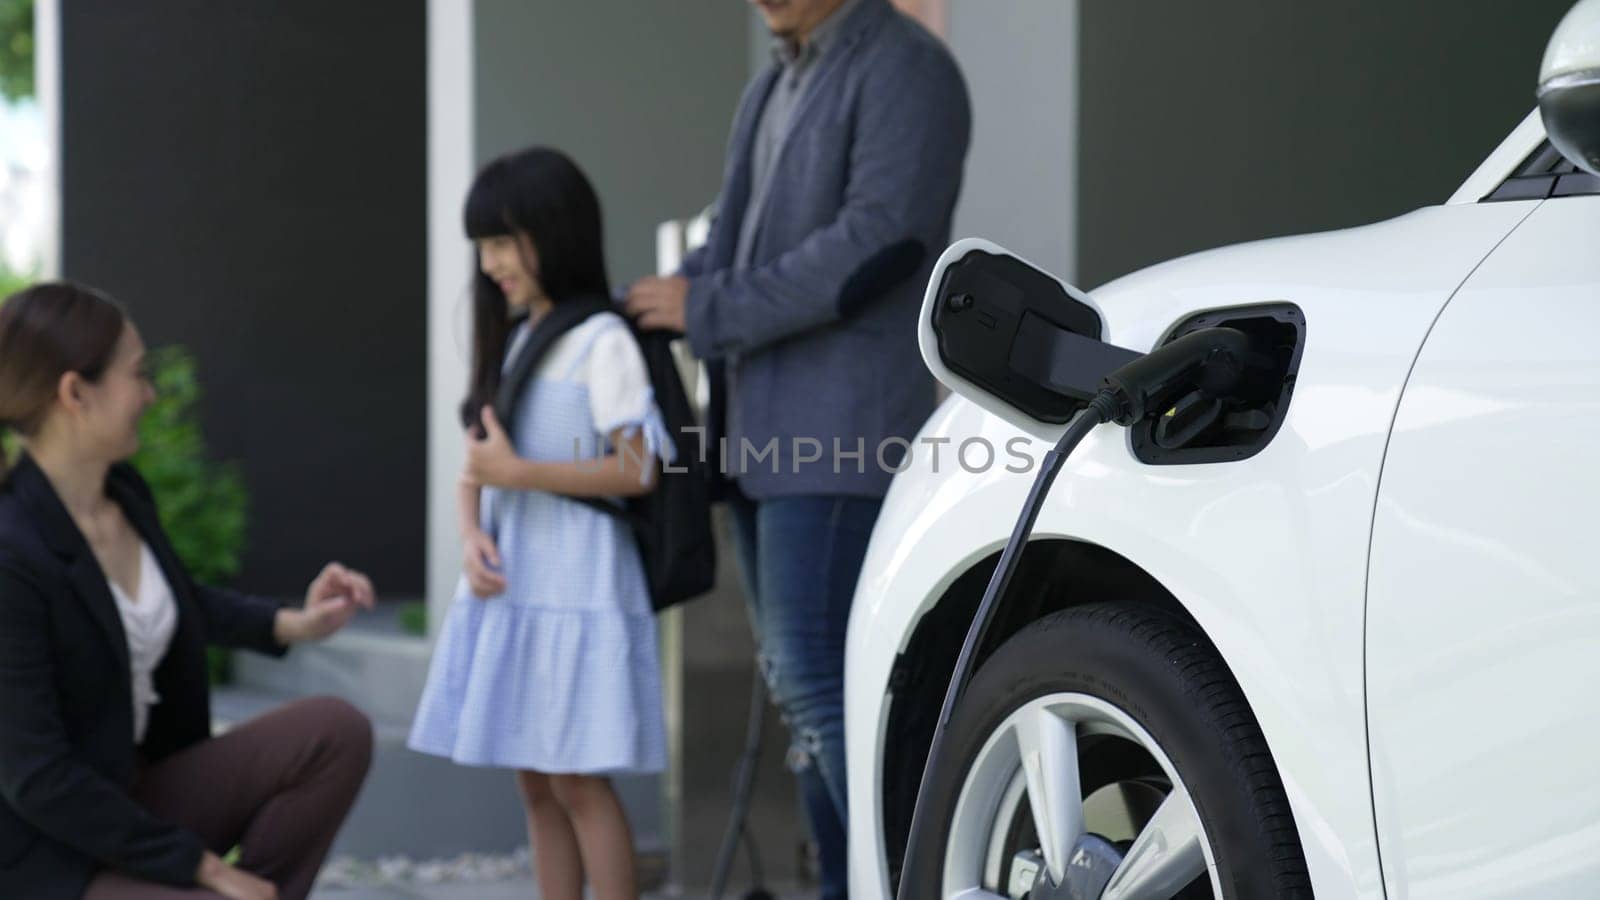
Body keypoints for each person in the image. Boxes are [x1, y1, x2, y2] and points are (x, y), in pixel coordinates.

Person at [626, 0, 970, 893]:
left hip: (840, 434)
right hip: (754, 439)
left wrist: (707, 308)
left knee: (826, 687)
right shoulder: (772, 81)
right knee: (805, 693)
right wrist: (657, 299)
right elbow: (726, 242)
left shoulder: (907, 68)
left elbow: (878, 244)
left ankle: (905, 882)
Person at [0, 282, 377, 900]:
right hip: (52, 854)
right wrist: (206, 867)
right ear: (74, 394)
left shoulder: (123, 493)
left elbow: (177, 601)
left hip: (142, 791)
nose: (150, 394)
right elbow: (37, 779)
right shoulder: (13, 555)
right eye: (138, 375)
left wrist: (296, 623)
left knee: (335, 731)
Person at [407, 146, 670, 900]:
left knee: (576, 779)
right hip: (521, 580)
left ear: (553, 233)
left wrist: (520, 477)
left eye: (501, 242)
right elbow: (477, 461)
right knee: (535, 781)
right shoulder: (523, 335)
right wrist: (472, 531)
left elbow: (639, 467)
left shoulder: (602, 341)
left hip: (579, 581)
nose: (490, 264)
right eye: (483, 246)